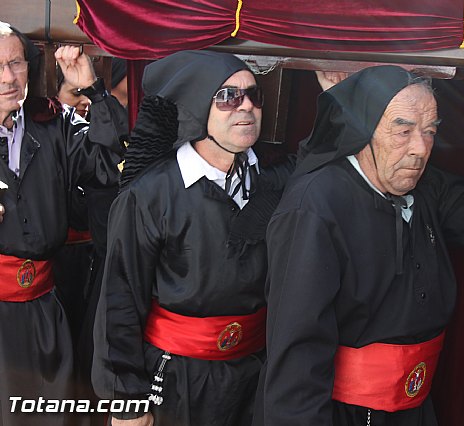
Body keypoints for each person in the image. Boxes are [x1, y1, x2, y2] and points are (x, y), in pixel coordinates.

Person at [253, 66, 464, 426]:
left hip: (413, 411)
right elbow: (296, 354)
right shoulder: (316, 206)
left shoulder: (426, 189)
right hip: (341, 415)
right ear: (362, 129)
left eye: (429, 131)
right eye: (403, 130)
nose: (421, 149)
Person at [92, 50, 293, 426]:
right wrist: (126, 401)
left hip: (254, 378)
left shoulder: (273, 181)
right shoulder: (150, 195)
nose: (246, 107)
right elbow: (120, 300)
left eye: (254, 95)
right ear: (198, 105)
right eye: (229, 96)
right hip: (176, 379)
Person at [0, 21, 127, 426]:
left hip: (44, 309)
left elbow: (109, 166)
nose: (8, 77)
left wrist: (93, 90)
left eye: (16, 63)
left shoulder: (52, 125)